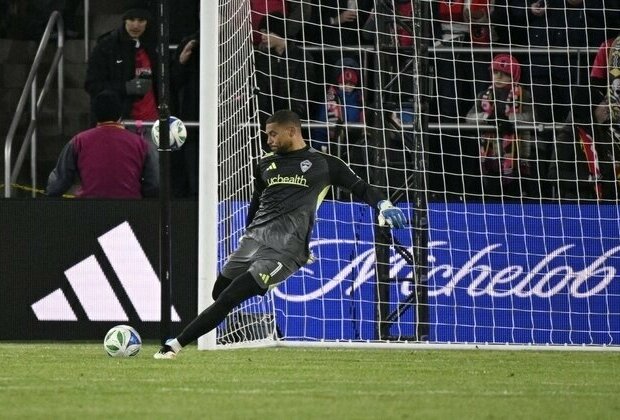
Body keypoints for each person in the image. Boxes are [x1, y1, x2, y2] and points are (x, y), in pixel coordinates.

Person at [154, 109, 406, 359]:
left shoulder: (324, 164)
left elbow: (361, 188)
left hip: (286, 250)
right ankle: (256, 321)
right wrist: (248, 234)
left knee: (230, 297)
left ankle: (173, 346)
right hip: (254, 241)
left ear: (292, 131)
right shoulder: (264, 164)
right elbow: (257, 201)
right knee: (220, 292)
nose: (269, 140)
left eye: (273, 134)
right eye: (267, 135)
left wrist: (384, 205)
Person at [45, 90, 159, 198]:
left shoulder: (78, 141)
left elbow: (56, 184)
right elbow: (154, 184)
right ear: (120, 114)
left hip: (90, 210)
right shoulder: (141, 144)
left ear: (95, 114)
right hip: (129, 210)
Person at [466, 54, 535, 198]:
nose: (499, 77)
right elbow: (469, 118)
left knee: (515, 197)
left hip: (518, 159)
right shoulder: (483, 95)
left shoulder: (524, 95)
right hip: (490, 159)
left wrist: (509, 120)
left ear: (514, 75)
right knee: (492, 197)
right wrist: (487, 118)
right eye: (495, 73)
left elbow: (532, 117)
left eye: (504, 74)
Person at [84, 6, 158, 134]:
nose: (135, 25)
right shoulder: (106, 47)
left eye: (141, 20)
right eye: (131, 19)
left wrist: (181, 62)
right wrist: (127, 87)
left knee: (152, 154)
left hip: (152, 122)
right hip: (120, 122)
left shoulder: (154, 47)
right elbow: (92, 85)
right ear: (124, 20)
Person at [170, 31, 200, 197]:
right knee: (192, 169)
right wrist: (182, 61)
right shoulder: (190, 43)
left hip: (226, 118)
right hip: (191, 118)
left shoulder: (232, 43)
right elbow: (174, 80)